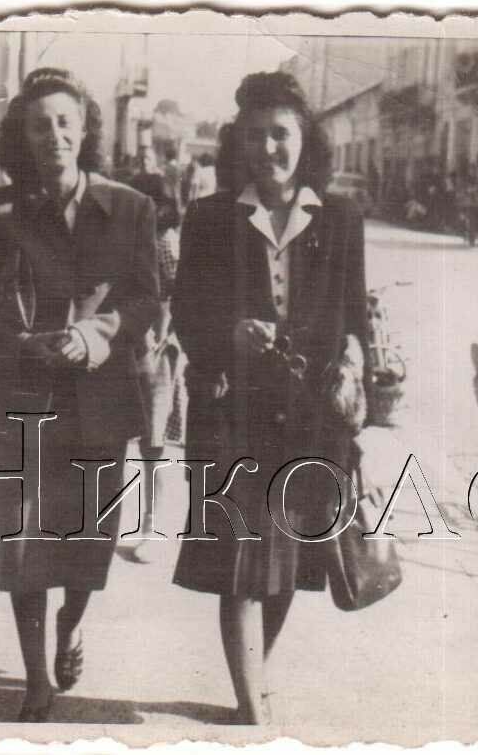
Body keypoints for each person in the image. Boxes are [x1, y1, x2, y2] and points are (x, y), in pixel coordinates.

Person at [0, 67, 159, 722]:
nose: (55, 134)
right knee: (22, 542)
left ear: (87, 127)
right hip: (19, 397)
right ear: (23, 135)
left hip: (99, 399)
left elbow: (146, 299)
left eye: (66, 121)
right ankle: (36, 676)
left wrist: (95, 336)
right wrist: (19, 345)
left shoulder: (129, 208)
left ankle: (71, 623)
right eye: (40, 124)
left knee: (89, 543)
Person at [171, 71, 371, 725]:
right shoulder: (208, 218)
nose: (268, 148)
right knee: (238, 561)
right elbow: (185, 313)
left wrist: (355, 362)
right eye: (254, 135)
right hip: (234, 411)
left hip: (311, 418)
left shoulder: (340, 217)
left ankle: (257, 673)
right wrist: (225, 334)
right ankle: (251, 703)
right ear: (239, 142)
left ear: (303, 139)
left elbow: (354, 314)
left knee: (289, 563)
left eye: (279, 134)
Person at [128, 176, 188, 564]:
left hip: (154, 348)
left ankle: (153, 524)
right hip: (124, 342)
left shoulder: (163, 242)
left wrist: (159, 335)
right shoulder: (124, 239)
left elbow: (175, 294)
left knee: (153, 440)